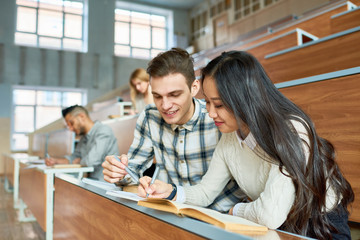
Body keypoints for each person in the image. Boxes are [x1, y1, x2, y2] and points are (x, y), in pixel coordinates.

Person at [138, 51, 354, 240]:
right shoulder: (231, 136)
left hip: (321, 223)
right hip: (279, 225)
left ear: (243, 99)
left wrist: (236, 210)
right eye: (208, 103)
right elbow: (206, 192)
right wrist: (172, 192)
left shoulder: (292, 129)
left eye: (219, 104)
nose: (211, 113)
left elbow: (270, 215)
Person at [102, 48, 244, 212]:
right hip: (170, 211)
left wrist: (202, 216)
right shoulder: (150, 117)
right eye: (157, 96)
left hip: (217, 215)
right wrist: (119, 172)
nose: (165, 106)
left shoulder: (219, 119)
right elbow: (132, 169)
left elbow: (238, 186)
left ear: (194, 87)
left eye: (174, 94)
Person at [45, 105, 119, 181]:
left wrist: (80, 160)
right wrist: (56, 161)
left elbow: (90, 161)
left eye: (71, 123)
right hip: (90, 181)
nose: (70, 129)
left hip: (104, 183)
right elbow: (74, 158)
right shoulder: (84, 137)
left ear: (82, 116)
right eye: (68, 126)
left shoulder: (103, 131)